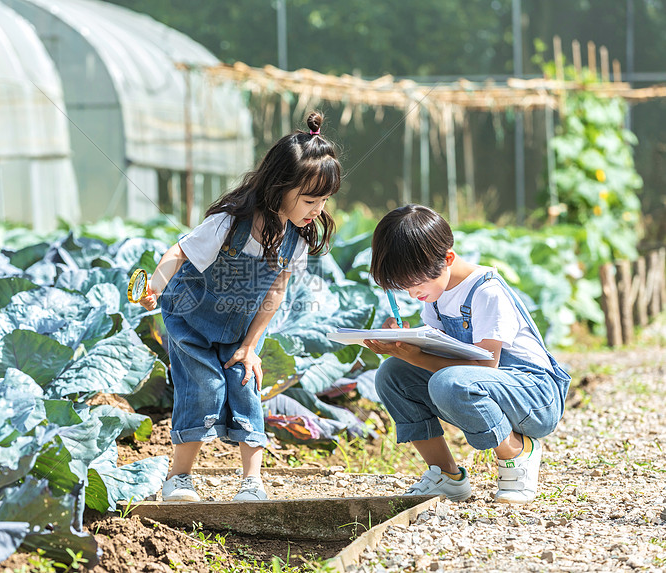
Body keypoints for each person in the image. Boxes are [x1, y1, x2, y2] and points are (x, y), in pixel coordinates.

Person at [139, 112, 341, 502]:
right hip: (190, 319)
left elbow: (276, 292)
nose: (318, 210)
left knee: (246, 385)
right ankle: (178, 478)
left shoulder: (295, 239)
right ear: (279, 186)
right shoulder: (230, 223)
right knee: (204, 387)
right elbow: (179, 251)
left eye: (324, 201)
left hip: (240, 328)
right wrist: (156, 285)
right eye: (310, 199)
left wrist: (251, 346)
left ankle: (252, 482)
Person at [366, 204, 571, 504]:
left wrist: (414, 355)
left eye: (416, 284)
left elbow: (485, 364)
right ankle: (446, 475)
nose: (412, 294)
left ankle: (517, 452)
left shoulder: (486, 291)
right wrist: (401, 342)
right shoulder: (436, 296)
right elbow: (444, 354)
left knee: (448, 383)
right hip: (491, 386)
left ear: (447, 258)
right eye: (404, 287)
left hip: (535, 396)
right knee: (391, 374)